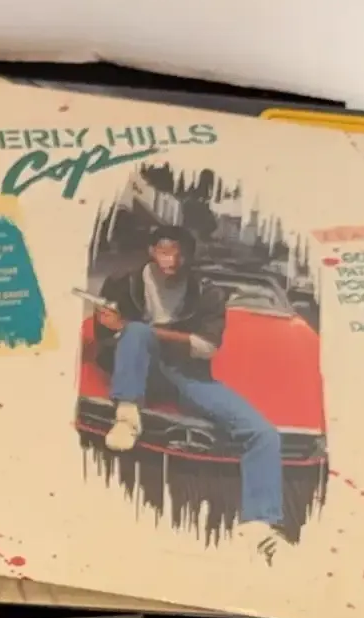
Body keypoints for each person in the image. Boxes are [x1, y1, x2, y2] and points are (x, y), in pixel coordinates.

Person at [91, 224, 288, 563]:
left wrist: (147, 332)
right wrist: (111, 327)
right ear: (152, 251)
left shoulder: (207, 292)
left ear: (189, 256)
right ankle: (127, 415)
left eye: (179, 253)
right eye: (165, 250)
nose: (172, 259)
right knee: (135, 333)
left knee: (264, 434)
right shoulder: (123, 283)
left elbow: (206, 346)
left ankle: (259, 523)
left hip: (187, 374)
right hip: (137, 370)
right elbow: (105, 339)